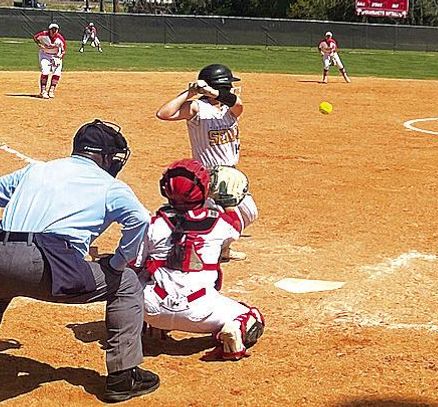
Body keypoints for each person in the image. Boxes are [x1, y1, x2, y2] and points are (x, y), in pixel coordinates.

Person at [0, 119, 159, 403]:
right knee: (125, 284)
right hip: (46, 263)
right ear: (104, 157)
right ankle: (123, 377)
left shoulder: (37, 170)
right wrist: (118, 262)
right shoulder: (111, 186)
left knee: (3, 280)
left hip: (2, 246)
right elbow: (140, 219)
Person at [134, 159, 265, 361]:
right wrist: (227, 203)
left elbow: (134, 265)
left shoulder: (154, 223)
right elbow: (235, 225)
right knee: (251, 316)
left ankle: (148, 325)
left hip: (151, 306)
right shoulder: (219, 223)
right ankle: (230, 331)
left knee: (140, 276)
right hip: (200, 310)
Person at [155, 64, 258, 261]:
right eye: (228, 85)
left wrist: (214, 92)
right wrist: (190, 92)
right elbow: (163, 113)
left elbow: (237, 103)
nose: (231, 88)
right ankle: (209, 249)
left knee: (249, 212)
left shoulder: (231, 109)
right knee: (222, 217)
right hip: (209, 175)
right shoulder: (197, 108)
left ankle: (221, 247)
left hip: (231, 173)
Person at [33, 23, 66, 99]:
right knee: (45, 71)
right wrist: (39, 44)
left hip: (56, 55)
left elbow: (64, 51)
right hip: (44, 54)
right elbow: (35, 37)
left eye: (55, 29)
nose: (54, 31)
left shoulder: (60, 39)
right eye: (52, 29)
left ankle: (51, 90)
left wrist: (59, 57)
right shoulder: (44, 34)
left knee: (57, 73)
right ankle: (43, 91)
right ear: (49, 30)